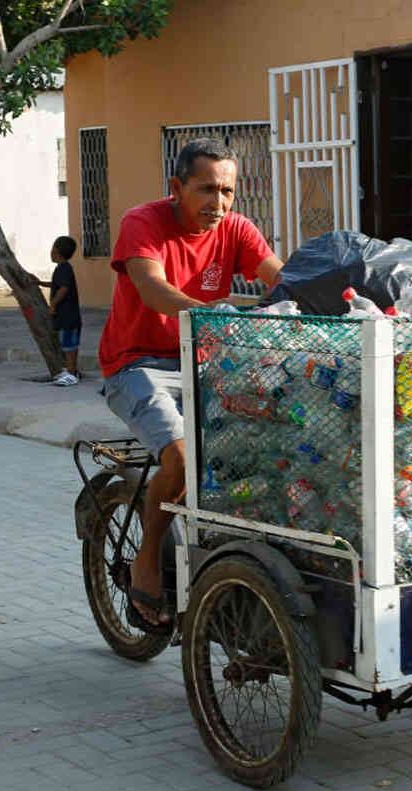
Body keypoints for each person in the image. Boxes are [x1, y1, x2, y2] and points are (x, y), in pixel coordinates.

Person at [99, 138, 283, 631]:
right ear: (176, 188)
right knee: (181, 457)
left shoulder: (236, 229)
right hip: (138, 365)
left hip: (203, 362)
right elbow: (152, 288)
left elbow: (280, 280)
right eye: (206, 191)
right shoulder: (144, 222)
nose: (218, 204)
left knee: (270, 450)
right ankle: (146, 559)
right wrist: (209, 316)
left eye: (227, 192)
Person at [38, 236, 82, 387]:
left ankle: (72, 374)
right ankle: (70, 370)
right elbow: (57, 284)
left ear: (56, 250)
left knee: (70, 346)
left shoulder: (64, 268)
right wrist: (39, 282)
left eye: (52, 249)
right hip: (67, 316)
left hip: (68, 315)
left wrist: (53, 305)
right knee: (67, 344)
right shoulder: (62, 269)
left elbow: (63, 289)